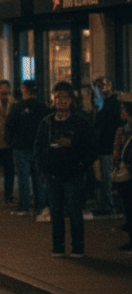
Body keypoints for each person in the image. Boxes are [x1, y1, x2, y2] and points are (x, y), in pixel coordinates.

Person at [35, 82, 96, 258]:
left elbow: (91, 148)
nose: (62, 101)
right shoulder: (47, 123)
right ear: (53, 100)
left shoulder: (81, 123)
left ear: (71, 101)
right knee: (55, 212)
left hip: (73, 175)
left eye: (65, 98)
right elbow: (39, 147)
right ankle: (58, 246)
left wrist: (80, 166)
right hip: (52, 175)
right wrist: (42, 169)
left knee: (75, 211)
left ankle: (77, 247)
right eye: (58, 97)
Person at [6, 80, 49, 217]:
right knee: (38, 176)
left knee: (23, 177)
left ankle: (25, 205)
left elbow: (9, 125)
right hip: (38, 146)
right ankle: (40, 204)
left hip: (20, 146)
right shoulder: (43, 108)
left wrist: (11, 141)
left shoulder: (18, 107)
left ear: (25, 90)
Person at [94, 77, 122, 215]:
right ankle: (110, 202)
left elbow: (102, 124)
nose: (102, 89)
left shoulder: (108, 105)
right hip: (108, 144)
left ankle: (109, 204)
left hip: (107, 144)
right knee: (108, 175)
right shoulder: (110, 103)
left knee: (108, 175)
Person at [113, 96, 132, 251]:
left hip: (126, 172)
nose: (121, 112)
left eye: (123, 109)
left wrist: (116, 166)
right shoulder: (123, 129)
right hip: (126, 172)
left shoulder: (123, 130)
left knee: (128, 206)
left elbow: (117, 151)